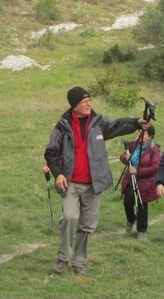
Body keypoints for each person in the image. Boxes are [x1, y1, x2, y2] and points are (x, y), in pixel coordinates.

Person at [44, 86, 151, 275]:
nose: (88, 104)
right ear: (74, 105)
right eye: (84, 101)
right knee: (69, 217)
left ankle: (79, 262)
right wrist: (58, 173)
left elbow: (118, 125)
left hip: (95, 183)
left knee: (87, 225)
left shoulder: (98, 122)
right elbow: (51, 152)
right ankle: (63, 258)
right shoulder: (62, 125)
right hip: (70, 182)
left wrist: (136, 122)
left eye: (89, 100)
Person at [118, 124, 161, 239]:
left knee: (142, 205)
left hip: (145, 182)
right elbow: (122, 157)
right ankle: (131, 219)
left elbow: (155, 167)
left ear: (150, 136)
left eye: (144, 134)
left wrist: (137, 170)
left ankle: (142, 230)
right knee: (127, 202)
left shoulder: (154, 149)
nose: (140, 135)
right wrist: (125, 158)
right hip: (129, 179)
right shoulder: (134, 144)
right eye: (140, 133)